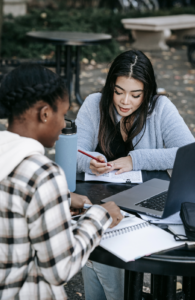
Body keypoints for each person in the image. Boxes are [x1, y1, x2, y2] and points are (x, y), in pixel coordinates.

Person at [0, 64, 123, 300]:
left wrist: (60, 197)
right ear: (44, 114)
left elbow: (11, 199)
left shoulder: (1, 154)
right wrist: (100, 216)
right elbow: (60, 268)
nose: (65, 124)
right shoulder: (43, 174)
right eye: (62, 114)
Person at [76, 50, 195, 300]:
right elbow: (74, 153)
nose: (125, 101)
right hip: (103, 203)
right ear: (110, 86)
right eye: (118, 91)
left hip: (148, 202)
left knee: (102, 260)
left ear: (148, 92)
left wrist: (135, 159)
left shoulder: (160, 108)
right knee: (102, 259)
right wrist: (90, 162)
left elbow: (188, 152)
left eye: (135, 94)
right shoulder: (93, 105)